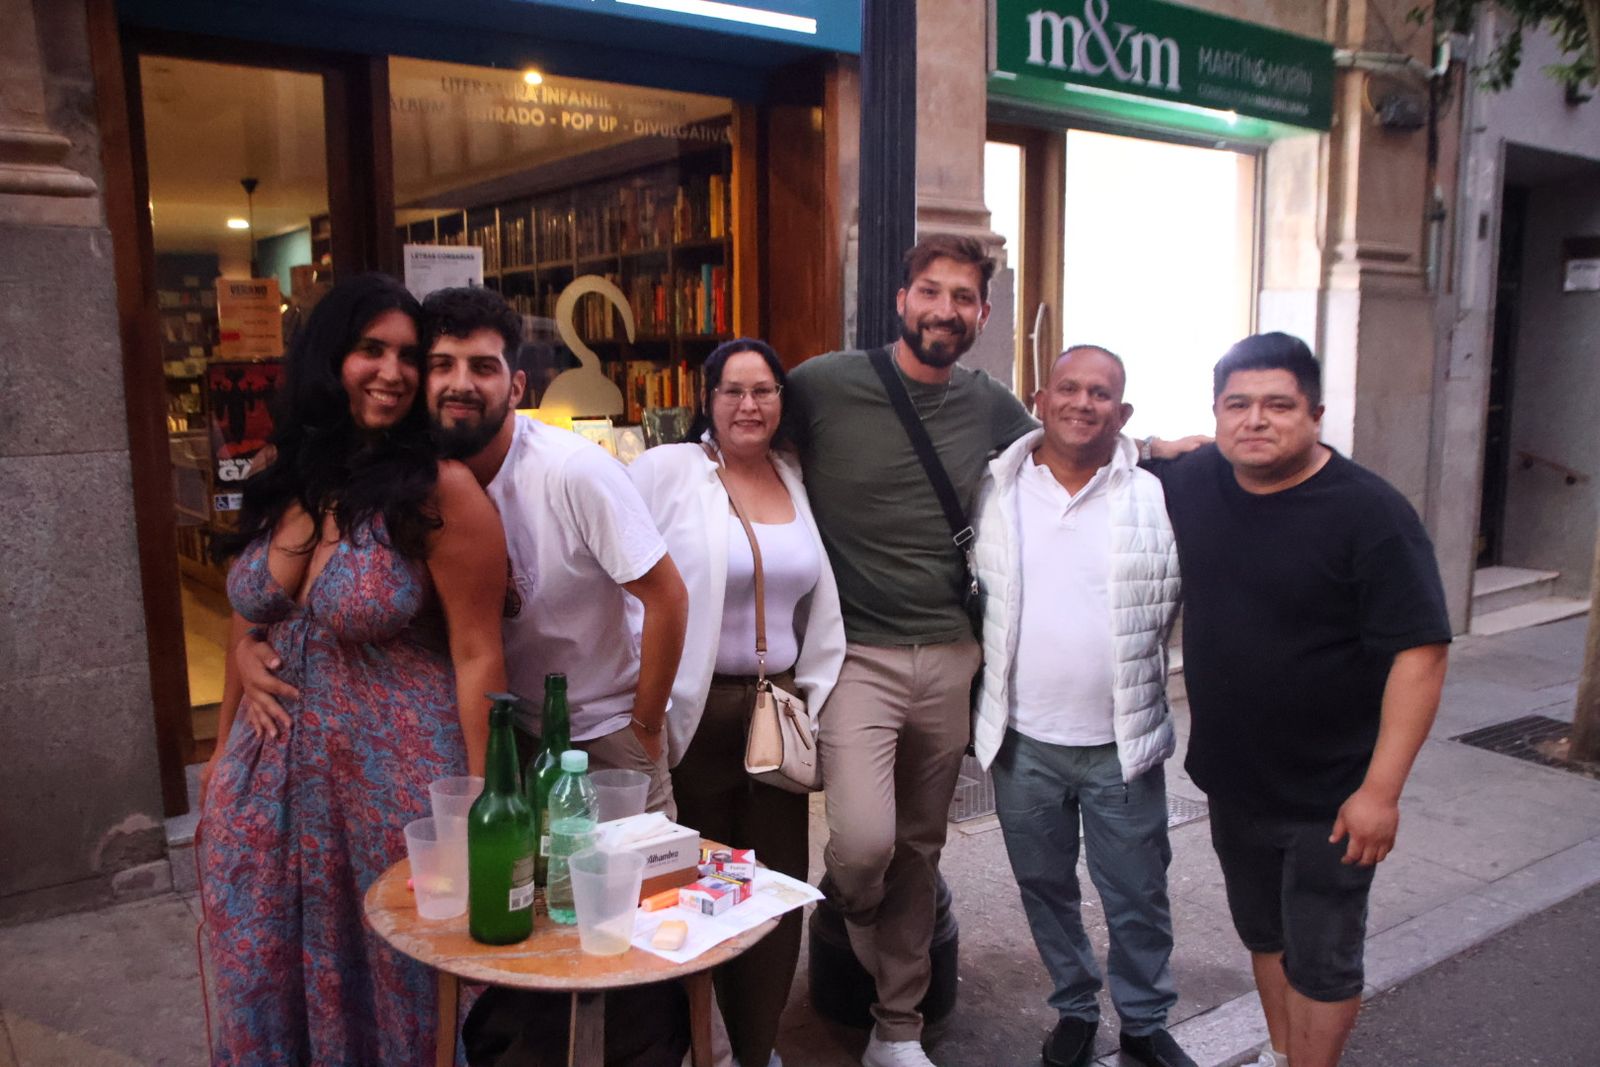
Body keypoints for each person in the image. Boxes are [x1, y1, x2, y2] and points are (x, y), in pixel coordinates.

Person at [198, 273, 510, 1065]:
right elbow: (253, 611)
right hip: (265, 793)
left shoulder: (440, 490)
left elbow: (479, 656)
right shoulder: (288, 475)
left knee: (398, 987)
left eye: (408, 355)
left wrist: (482, 816)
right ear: (328, 357)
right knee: (264, 976)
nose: (393, 371)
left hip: (390, 791)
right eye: (370, 349)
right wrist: (222, 740)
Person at [237, 285, 689, 812]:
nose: (460, 384)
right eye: (441, 365)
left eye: (482, 367)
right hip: (500, 727)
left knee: (631, 889)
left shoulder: (574, 472)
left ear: (516, 386)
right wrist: (254, 644)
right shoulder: (409, 474)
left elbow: (668, 598)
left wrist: (645, 729)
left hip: (597, 733)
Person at [1146, 333, 1451, 1067]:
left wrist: (1381, 791)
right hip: (1234, 779)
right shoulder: (1193, 480)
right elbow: (1104, 445)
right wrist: (1152, 440)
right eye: (1238, 405)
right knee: (1267, 936)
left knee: (1323, 956)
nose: (1256, 420)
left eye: (1278, 405)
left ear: (1314, 412)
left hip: (1334, 792)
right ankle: (1284, 1055)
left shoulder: (1371, 514)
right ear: (1215, 414)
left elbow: (1422, 653)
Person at [786, 234, 1038, 1067]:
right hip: (856, 656)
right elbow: (741, 434)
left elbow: (1061, 464)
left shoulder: (991, 404)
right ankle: (853, 909)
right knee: (863, 846)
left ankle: (896, 1028)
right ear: (901, 300)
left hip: (952, 656)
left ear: (983, 314)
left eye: (962, 298)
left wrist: (1172, 455)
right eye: (931, 292)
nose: (945, 310)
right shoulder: (825, 385)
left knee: (920, 846)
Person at [969, 345, 1193, 1067]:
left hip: (1122, 742)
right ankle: (1073, 1004)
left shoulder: (1157, 492)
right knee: (1044, 886)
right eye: (1069, 387)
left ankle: (1145, 1018)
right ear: (1039, 397)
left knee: (1136, 892)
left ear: (1122, 413)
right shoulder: (995, 489)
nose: (1082, 402)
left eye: (1101, 393)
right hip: (1023, 741)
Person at [627, 338, 847, 1067]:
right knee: (686, 889)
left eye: (763, 390)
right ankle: (702, 1043)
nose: (748, 405)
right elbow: (618, 571)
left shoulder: (794, 476)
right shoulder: (667, 472)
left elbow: (815, 600)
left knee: (771, 888)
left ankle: (758, 1046)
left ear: (782, 399)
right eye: (732, 390)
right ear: (708, 399)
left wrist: (811, 694)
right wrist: (640, 697)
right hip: (691, 718)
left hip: (774, 719)